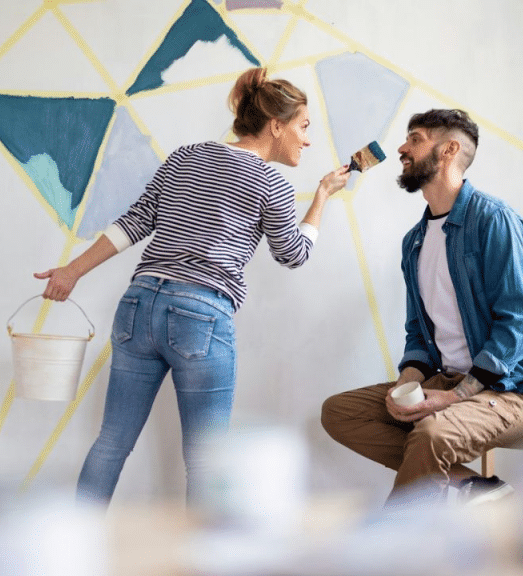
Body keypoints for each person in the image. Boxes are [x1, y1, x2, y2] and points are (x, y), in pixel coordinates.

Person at [35, 68, 351, 505]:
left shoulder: (185, 156)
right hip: (200, 315)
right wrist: (321, 198)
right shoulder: (271, 183)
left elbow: (135, 222)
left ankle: (71, 554)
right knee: (207, 459)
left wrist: (71, 271)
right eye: (303, 126)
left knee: (110, 443)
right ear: (276, 126)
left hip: (138, 304)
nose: (307, 139)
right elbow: (293, 254)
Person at [320, 109, 523, 504]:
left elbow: (518, 324)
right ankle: (471, 484)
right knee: (340, 412)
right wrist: (407, 383)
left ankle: (396, 546)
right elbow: (418, 331)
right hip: (448, 378)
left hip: (517, 388)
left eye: (415, 139)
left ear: (449, 149)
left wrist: (458, 395)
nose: (401, 148)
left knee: (432, 435)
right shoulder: (414, 241)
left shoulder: (493, 220)